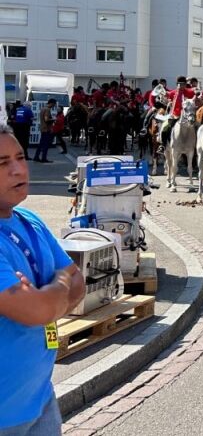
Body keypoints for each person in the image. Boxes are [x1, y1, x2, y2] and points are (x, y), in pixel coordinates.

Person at [0, 126, 86, 434]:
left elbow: (78, 279)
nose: (18, 169)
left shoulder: (29, 221)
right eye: (2, 163)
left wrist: (47, 298)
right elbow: (38, 310)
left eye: (20, 157)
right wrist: (58, 288)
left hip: (40, 398)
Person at [161, 76, 196, 148]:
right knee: (165, 128)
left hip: (188, 116)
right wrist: (169, 102)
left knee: (198, 127)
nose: (181, 86)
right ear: (177, 84)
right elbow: (169, 102)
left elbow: (194, 102)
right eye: (179, 84)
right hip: (175, 115)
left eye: (183, 84)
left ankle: (196, 146)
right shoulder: (173, 93)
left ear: (186, 84)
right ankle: (163, 146)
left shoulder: (190, 92)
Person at [33, 100, 56, 164]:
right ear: (51, 103)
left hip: (43, 128)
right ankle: (43, 158)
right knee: (45, 144)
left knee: (41, 144)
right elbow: (46, 119)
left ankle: (36, 156)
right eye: (54, 104)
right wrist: (53, 119)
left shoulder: (43, 109)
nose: (54, 106)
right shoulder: (47, 110)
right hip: (46, 129)